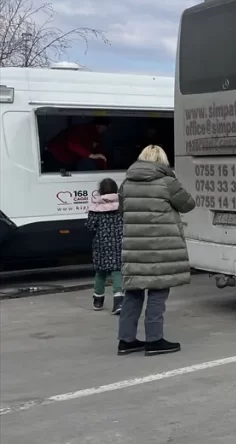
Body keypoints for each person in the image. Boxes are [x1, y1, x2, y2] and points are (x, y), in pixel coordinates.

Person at [117, 145, 195, 356]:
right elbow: (188, 204)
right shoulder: (167, 182)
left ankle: (126, 341)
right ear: (163, 161)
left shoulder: (126, 184)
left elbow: (123, 209)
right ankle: (154, 340)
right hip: (161, 248)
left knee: (132, 294)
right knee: (157, 294)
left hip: (134, 248)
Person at [86, 178, 124, 314]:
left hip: (101, 244)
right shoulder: (122, 204)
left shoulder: (95, 206)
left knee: (100, 272)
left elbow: (90, 227)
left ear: (100, 190)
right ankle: (119, 301)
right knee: (117, 270)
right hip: (118, 243)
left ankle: (98, 300)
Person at [44, 117, 110, 171]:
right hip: (55, 157)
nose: (106, 130)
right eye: (106, 127)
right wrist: (91, 155)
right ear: (100, 125)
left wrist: (104, 171)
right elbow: (72, 144)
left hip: (70, 162)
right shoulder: (83, 129)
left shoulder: (98, 137)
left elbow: (99, 155)